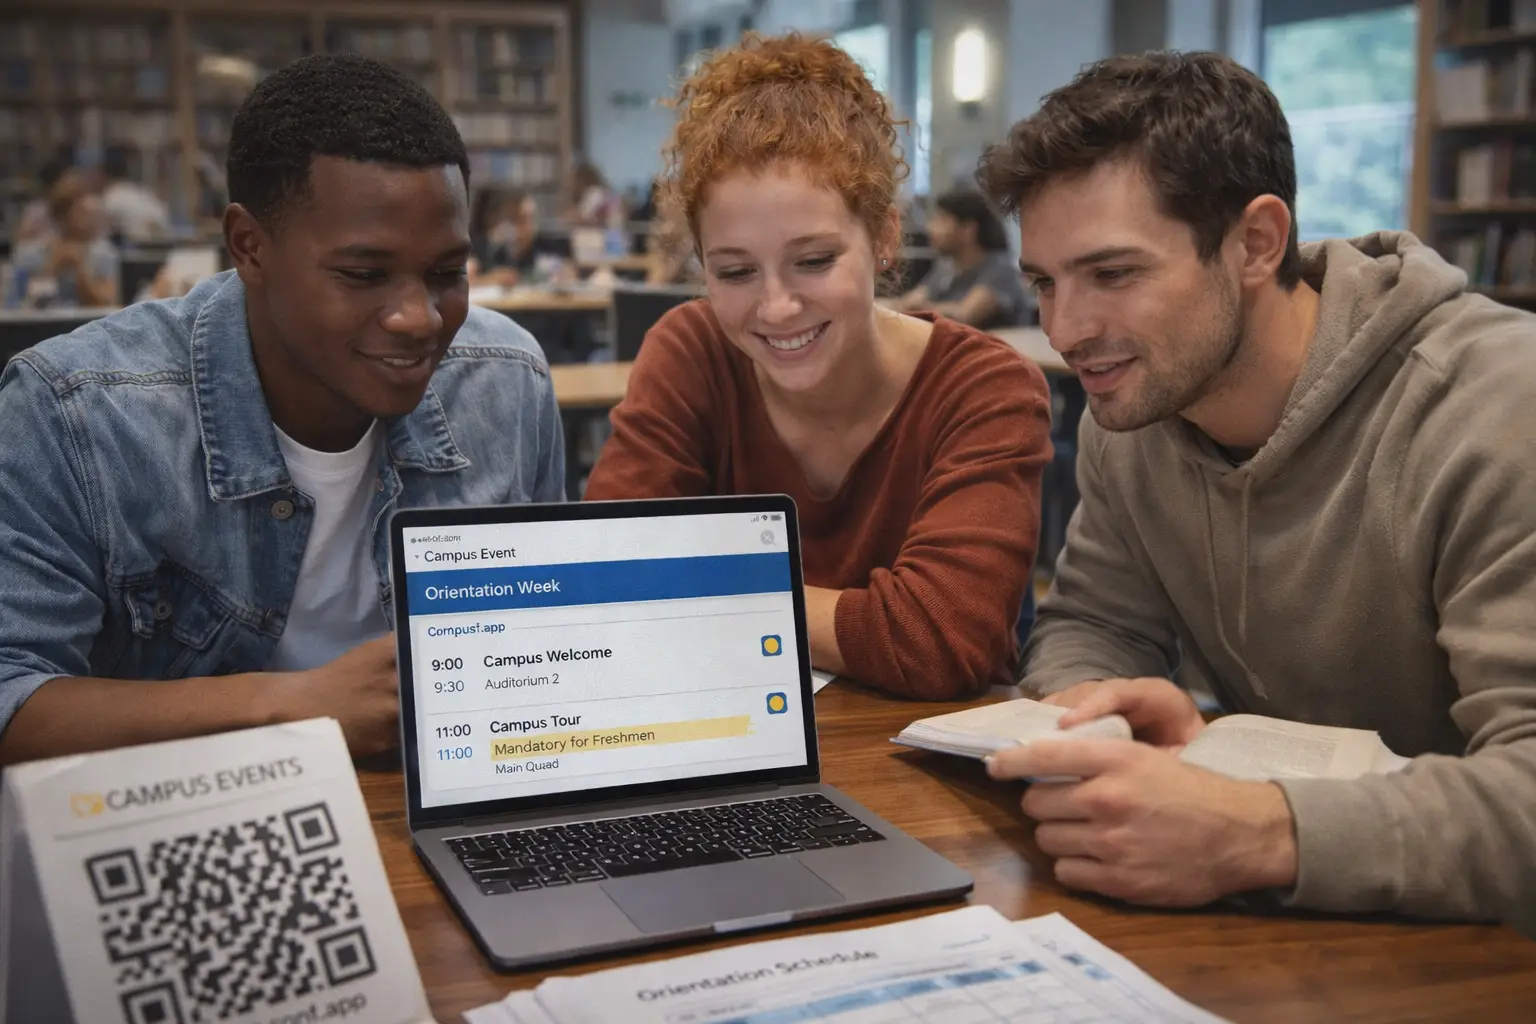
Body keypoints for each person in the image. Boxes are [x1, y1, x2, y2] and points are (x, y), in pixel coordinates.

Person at [975, 51, 1536, 932]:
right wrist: (1103, 719)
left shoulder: (1499, 409)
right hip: (1292, 934)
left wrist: (1261, 832)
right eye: (1045, 281)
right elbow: (1094, 623)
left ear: (1256, 242)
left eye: (1113, 274)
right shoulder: (1134, 415)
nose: (1066, 330)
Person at [0, 54, 565, 766]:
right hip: (190, 821)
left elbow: (547, 640)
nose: (419, 317)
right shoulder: (75, 411)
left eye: (449, 273)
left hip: (437, 805)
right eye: (364, 275)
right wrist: (297, 709)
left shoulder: (507, 379)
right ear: (249, 246)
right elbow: (11, 698)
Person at [584, 33, 1052, 701]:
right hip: (737, 752)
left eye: (814, 260)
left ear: (884, 237)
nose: (776, 307)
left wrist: (708, 592)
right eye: (736, 271)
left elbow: (942, 640)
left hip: (928, 780)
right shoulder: (693, 351)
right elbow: (609, 580)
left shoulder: (984, 388)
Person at [892, 189, 1031, 329]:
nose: (931, 228)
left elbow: (964, 315)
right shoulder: (946, 267)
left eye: (942, 220)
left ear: (967, 230)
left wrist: (920, 308)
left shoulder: (1000, 270)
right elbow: (911, 301)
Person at [5, 173, 119, 308]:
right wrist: (52, 268)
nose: (92, 218)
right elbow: (19, 307)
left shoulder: (104, 254)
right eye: (83, 212)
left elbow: (108, 307)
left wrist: (80, 271)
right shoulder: (30, 254)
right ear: (62, 216)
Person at [100, 144, 172, 243]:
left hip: (136, 250)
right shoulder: (145, 194)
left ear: (103, 174)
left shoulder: (111, 199)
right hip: (161, 248)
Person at [566, 162, 626, 231]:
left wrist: (567, 217)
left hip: (602, 236)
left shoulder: (595, 193)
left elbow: (583, 216)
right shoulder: (603, 192)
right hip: (611, 234)